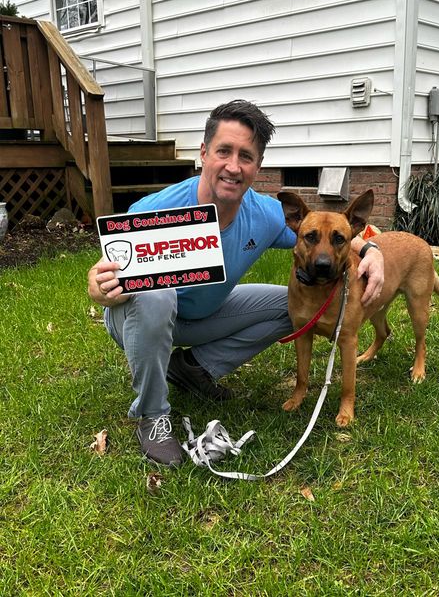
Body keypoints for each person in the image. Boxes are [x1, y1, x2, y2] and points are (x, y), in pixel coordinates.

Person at [88, 100, 384, 466]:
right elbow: (109, 275)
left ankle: (193, 368)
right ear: (203, 153)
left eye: (246, 156)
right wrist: (98, 289)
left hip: (203, 317)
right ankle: (153, 416)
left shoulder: (263, 214)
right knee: (157, 296)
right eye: (223, 151)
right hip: (141, 318)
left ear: (257, 167)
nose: (233, 166)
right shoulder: (155, 210)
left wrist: (372, 249)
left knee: (291, 308)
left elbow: (324, 230)